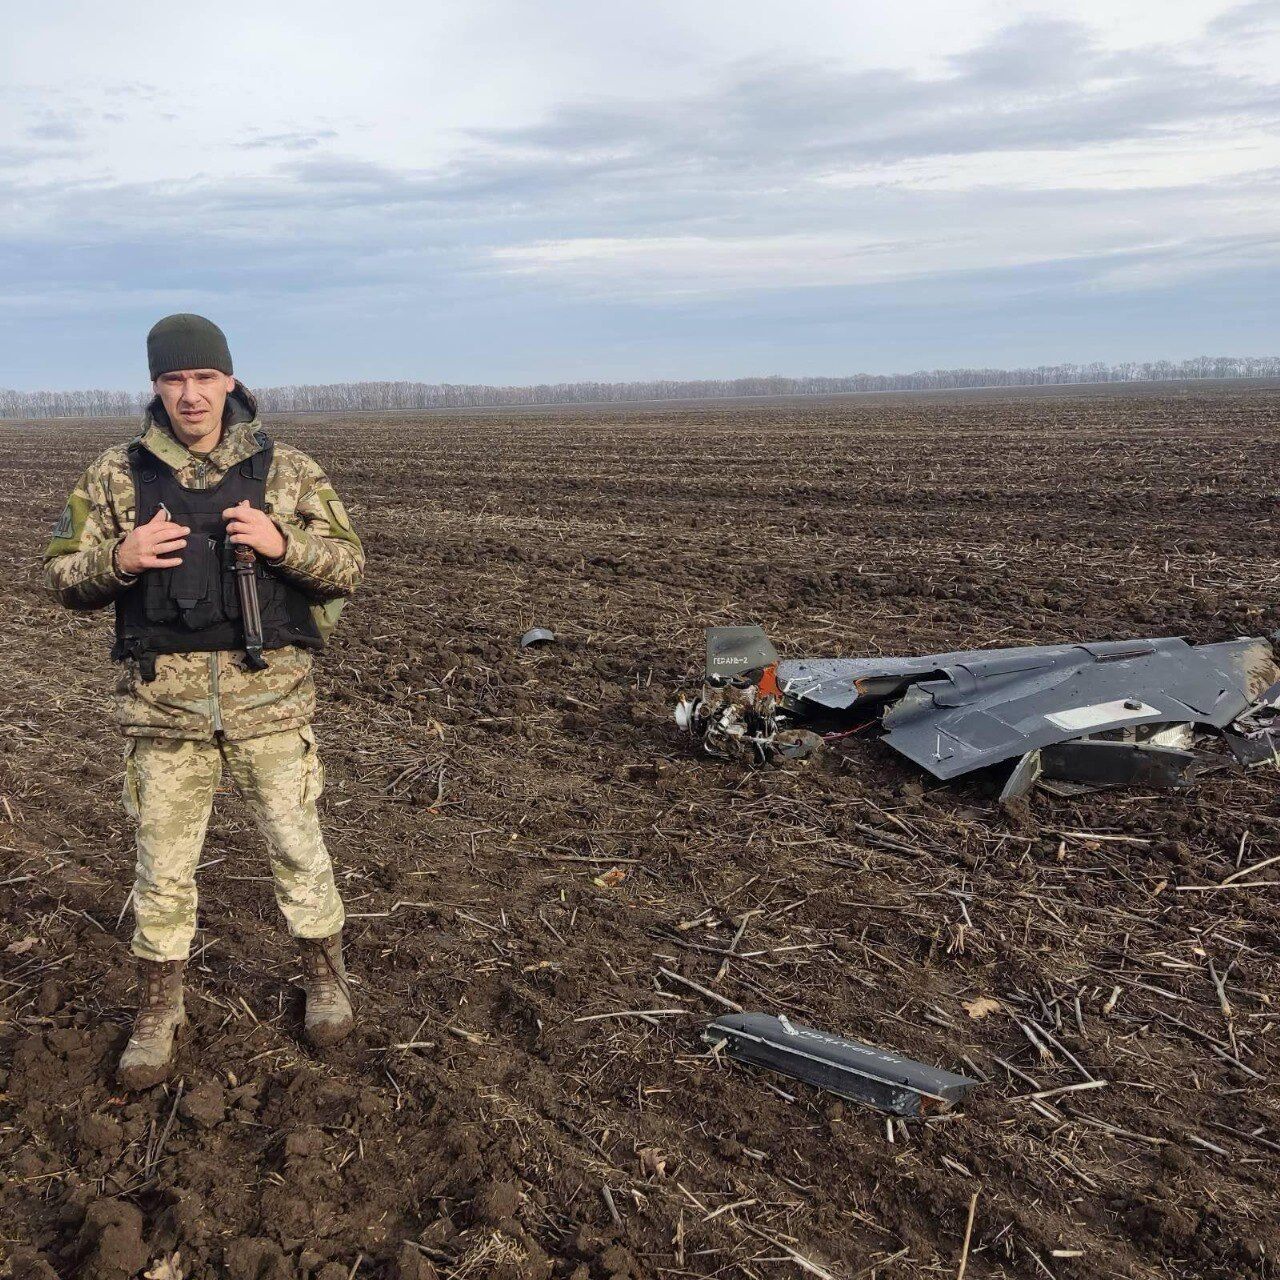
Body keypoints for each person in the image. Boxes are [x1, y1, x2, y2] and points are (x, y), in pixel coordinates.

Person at [44, 314, 365, 1088]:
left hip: (273, 709)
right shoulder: (114, 477)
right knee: (162, 867)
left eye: (203, 378)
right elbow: (59, 575)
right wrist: (118, 560)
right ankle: (160, 1007)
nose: (190, 395)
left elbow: (350, 566)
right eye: (173, 379)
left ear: (229, 380)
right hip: (163, 717)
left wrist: (285, 545)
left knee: (297, 847)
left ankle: (324, 977)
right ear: (155, 386)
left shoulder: (286, 471)